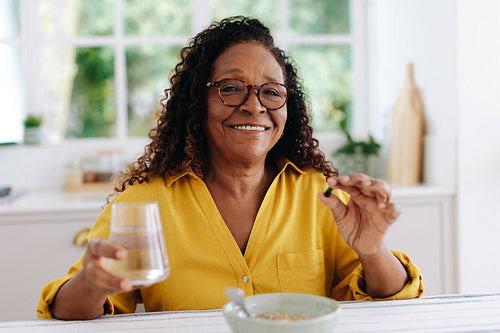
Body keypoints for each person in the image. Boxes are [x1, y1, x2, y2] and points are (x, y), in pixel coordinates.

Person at [37, 16, 423, 320]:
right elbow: (69, 313)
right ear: (197, 102)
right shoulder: (145, 202)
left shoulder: (320, 195)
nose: (255, 106)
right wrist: (91, 281)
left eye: (271, 91)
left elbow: (388, 303)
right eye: (231, 88)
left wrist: (374, 251)